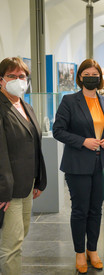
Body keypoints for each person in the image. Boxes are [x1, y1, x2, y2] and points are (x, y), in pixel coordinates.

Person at [52, 58, 104, 274]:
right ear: (80, 77)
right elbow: (58, 131)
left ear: (101, 77)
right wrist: (82, 141)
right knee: (80, 210)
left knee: (96, 210)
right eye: (87, 74)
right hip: (78, 164)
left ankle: (92, 249)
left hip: (102, 163)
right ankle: (80, 252)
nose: (91, 77)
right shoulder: (69, 101)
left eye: (95, 74)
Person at [0, 57, 47, 275]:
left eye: (22, 76)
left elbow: (34, 145)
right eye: (12, 76)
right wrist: (3, 192)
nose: (19, 80)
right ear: (1, 80)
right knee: (11, 245)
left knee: (20, 236)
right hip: (8, 190)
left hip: (27, 185)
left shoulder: (25, 105)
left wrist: (38, 178)